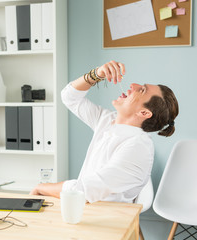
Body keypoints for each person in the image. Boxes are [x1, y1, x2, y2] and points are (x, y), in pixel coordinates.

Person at [30, 60, 179, 203]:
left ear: (144, 113)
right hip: (84, 208)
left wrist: (41, 187)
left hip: (106, 219)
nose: (133, 85)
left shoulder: (139, 146)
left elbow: (85, 191)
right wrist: (97, 74)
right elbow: (69, 97)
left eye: (142, 90)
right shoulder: (107, 120)